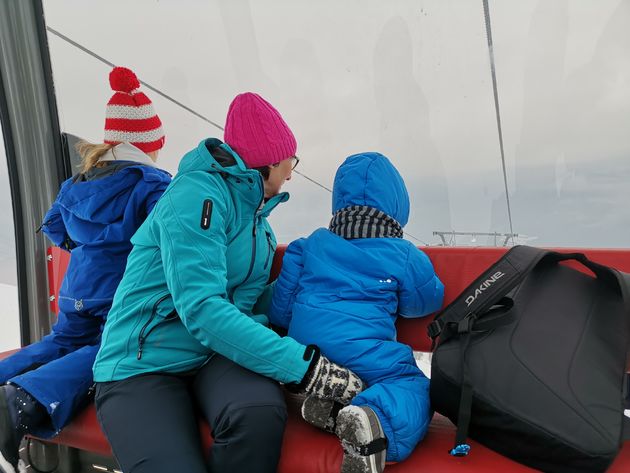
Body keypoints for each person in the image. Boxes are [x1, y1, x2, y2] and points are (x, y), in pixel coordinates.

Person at [92, 92, 364, 473]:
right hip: (143, 363)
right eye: (291, 161)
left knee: (257, 414)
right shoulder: (197, 197)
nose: (291, 172)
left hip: (210, 357)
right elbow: (203, 310)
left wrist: (312, 285)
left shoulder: (260, 226)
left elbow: (245, 306)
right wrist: (305, 367)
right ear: (267, 163)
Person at [0, 67, 171, 473]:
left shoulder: (79, 182)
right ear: (148, 144)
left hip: (78, 288)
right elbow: (168, 240)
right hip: (118, 295)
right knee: (109, 351)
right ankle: (22, 400)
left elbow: (55, 228)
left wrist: (88, 247)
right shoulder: (154, 185)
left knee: (59, 343)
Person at [269, 152, 445, 473]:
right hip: (364, 355)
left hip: (304, 356)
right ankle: (376, 427)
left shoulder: (307, 246)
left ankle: (335, 409)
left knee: (365, 378)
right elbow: (427, 301)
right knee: (413, 384)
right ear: (397, 205)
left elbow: (279, 310)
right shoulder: (402, 254)